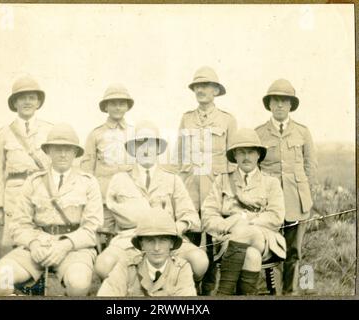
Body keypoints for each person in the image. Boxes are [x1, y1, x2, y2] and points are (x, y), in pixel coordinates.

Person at [0, 123, 104, 296]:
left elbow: (93, 227)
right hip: (36, 247)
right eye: (57, 149)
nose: (62, 154)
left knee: (78, 285)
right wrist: (33, 244)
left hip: (74, 249)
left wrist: (65, 245)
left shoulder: (88, 182)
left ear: (75, 153)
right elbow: (18, 224)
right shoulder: (33, 182)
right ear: (48, 151)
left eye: (68, 149)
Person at [94, 121, 208, 283]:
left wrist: (178, 227)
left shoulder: (172, 179)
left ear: (158, 149)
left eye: (151, 144)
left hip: (167, 240)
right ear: (133, 149)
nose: (146, 149)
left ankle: (182, 290)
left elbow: (191, 215)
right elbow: (107, 220)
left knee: (199, 261)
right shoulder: (119, 179)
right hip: (129, 239)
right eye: (140, 144)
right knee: (103, 265)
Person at [202, 128, 286, 295]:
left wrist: (244, 220)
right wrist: (230, 225)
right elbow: (208, 215)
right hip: (228, 239)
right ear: (235, 156)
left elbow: (276, 216)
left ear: (258, 155)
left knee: (249, 232)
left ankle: (223, 293)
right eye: (241, 152)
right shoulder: (222, 180)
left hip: (264, 239)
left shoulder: (271, 183)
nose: (246, 157)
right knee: (251, 256)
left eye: (251, 152)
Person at [177, 66, 237, 294]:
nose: (200, 90)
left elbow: (232, 162)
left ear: (215, 90)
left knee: (213, 245)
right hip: (190, 193)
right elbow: (180, 155)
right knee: (188, 243)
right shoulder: (186, 119)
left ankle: (209, 291)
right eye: (197, 86)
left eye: (205, 86)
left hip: (216, 192)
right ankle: (188, 288)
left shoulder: (227, 120)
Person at [255, 79, 317, 295]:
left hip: (296, 201)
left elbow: (310, 166)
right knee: (270, 251)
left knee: (293, 251)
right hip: (269, 203)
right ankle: (273, 292)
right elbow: (255, 168)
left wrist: (308, 198)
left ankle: (291, 292)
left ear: (291, 105)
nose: (280, 105)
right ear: (269, 104)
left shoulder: (302, 132)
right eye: (275, 100)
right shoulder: (259, 134)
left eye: (284, 101)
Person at [0, 75, 53, 246]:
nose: (27, 102)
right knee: (17, 243)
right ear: (14, 103)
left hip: (42, 193)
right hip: (14, 196)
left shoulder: (49, 130)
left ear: (38, 103)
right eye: (22, 98)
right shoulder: (4, 133)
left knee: (44, 240)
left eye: (32, 98)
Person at [97, 208, 197, 296]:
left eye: (163, 240)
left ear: (171, 243)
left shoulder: (181, 270)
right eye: (150, 241)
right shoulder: (126, 268)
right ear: (141, 244)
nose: (157, 248)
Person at [80, 84, 134, 237]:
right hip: (104, 198)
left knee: (129, 235)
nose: (117, 107)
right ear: (106, 107)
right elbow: (87, 169)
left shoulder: (134, 133)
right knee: (104, 235)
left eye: (122, 103)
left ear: (127, 106)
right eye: (113, 103)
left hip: (128, 197)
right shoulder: (96, 134)